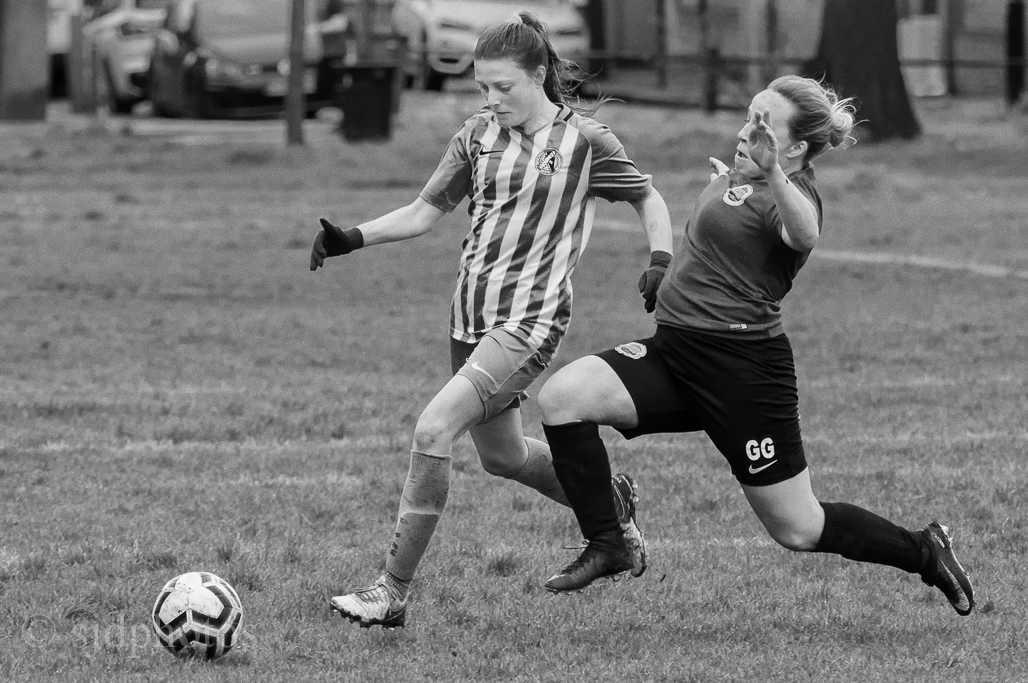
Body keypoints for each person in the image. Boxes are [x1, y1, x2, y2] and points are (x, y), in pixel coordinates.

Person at [535, 75, 975, 616]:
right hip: (674, 355)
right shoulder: (740, 175)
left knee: (799, 527)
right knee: (562, 399)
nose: (746, 132)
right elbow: (720, 242)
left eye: (763, 128)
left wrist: (769, 171)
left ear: (794, 149)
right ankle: (610, 543)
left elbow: (805, 233)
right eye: (749, 118)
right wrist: (665, 270)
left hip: (742, 374)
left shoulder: (792, 195)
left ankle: (927, 551)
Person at [311, 11, 674, 628]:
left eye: (504, 86)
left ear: (538, 76)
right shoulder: (476, 137)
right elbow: (425, 213)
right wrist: (351, 238)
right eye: (483, 86)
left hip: (528, 324)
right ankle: (610, 507)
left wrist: (659, 258)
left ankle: (391, 592)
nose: (492, 98)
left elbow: (647, 195)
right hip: (468, 319)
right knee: (503, 457)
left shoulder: (584, 142)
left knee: (432, 430)